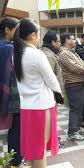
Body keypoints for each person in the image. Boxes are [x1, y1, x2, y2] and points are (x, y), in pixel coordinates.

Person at [13, 19, 61, 168]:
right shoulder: (36, 54)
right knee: (40, 150)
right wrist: (59, 94)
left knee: (33, 150)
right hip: (41, 107)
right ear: (33, 35)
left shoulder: (16, 53)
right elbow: (51, 79)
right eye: (38, 33)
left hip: (26, 106)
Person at [58, 33, 84, 141]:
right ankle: (72, 132)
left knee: (79, 108)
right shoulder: (64, 53)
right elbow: (74, 67)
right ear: (67, 40)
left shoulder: (71, 52)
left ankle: (76, 127)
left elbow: (82, 64)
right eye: (72, 39)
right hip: (73, 84)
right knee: (75, 108)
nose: (75, 41)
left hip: (79, 83)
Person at [0, 17, 23, 167]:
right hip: (11, 94)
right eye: (17, 29)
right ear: (7, 30)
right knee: (16, 128)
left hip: (4, 91)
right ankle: (15, 160)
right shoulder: (8, 48)